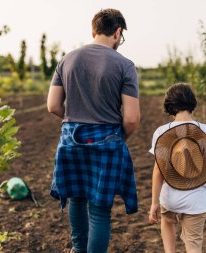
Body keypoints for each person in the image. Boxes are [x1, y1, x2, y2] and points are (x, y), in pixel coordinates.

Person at [47, 8, 140, 253]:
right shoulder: (125, 65)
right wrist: (119, 138)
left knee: (77, 198)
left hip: (71, 141)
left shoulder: (67, 59)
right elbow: (131, 119)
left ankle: (78, 250)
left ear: (93, 30)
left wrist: (76, 118)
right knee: (99, 210)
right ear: (117, 32)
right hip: (107, 141)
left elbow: (53, 105)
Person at [148, 83, 206, 253]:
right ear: (192, 102)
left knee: (167, 222)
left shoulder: (161, 132)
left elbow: (158, 170)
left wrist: (154, 203)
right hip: (196, 200)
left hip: (169, 197)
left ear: (169, 104)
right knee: (194, 244)